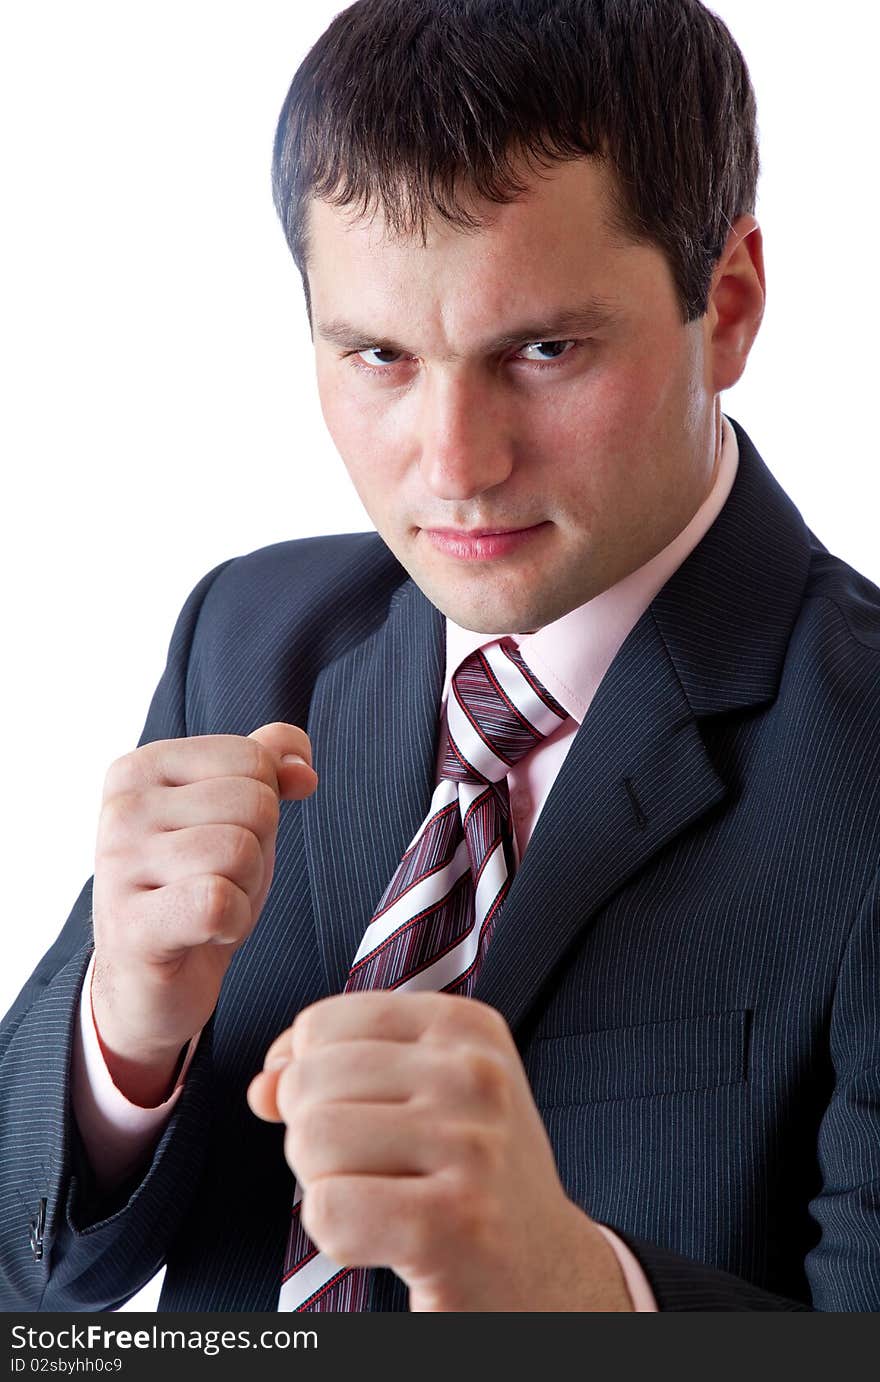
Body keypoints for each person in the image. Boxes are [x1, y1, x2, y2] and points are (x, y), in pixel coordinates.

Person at [2, 0, 878, 1313]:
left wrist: (582, 1292)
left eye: (543, 350)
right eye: (379, 357)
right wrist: (121, 1040)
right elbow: (38, 1282)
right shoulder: (245, 637)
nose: (455, 467)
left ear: (732, 306)